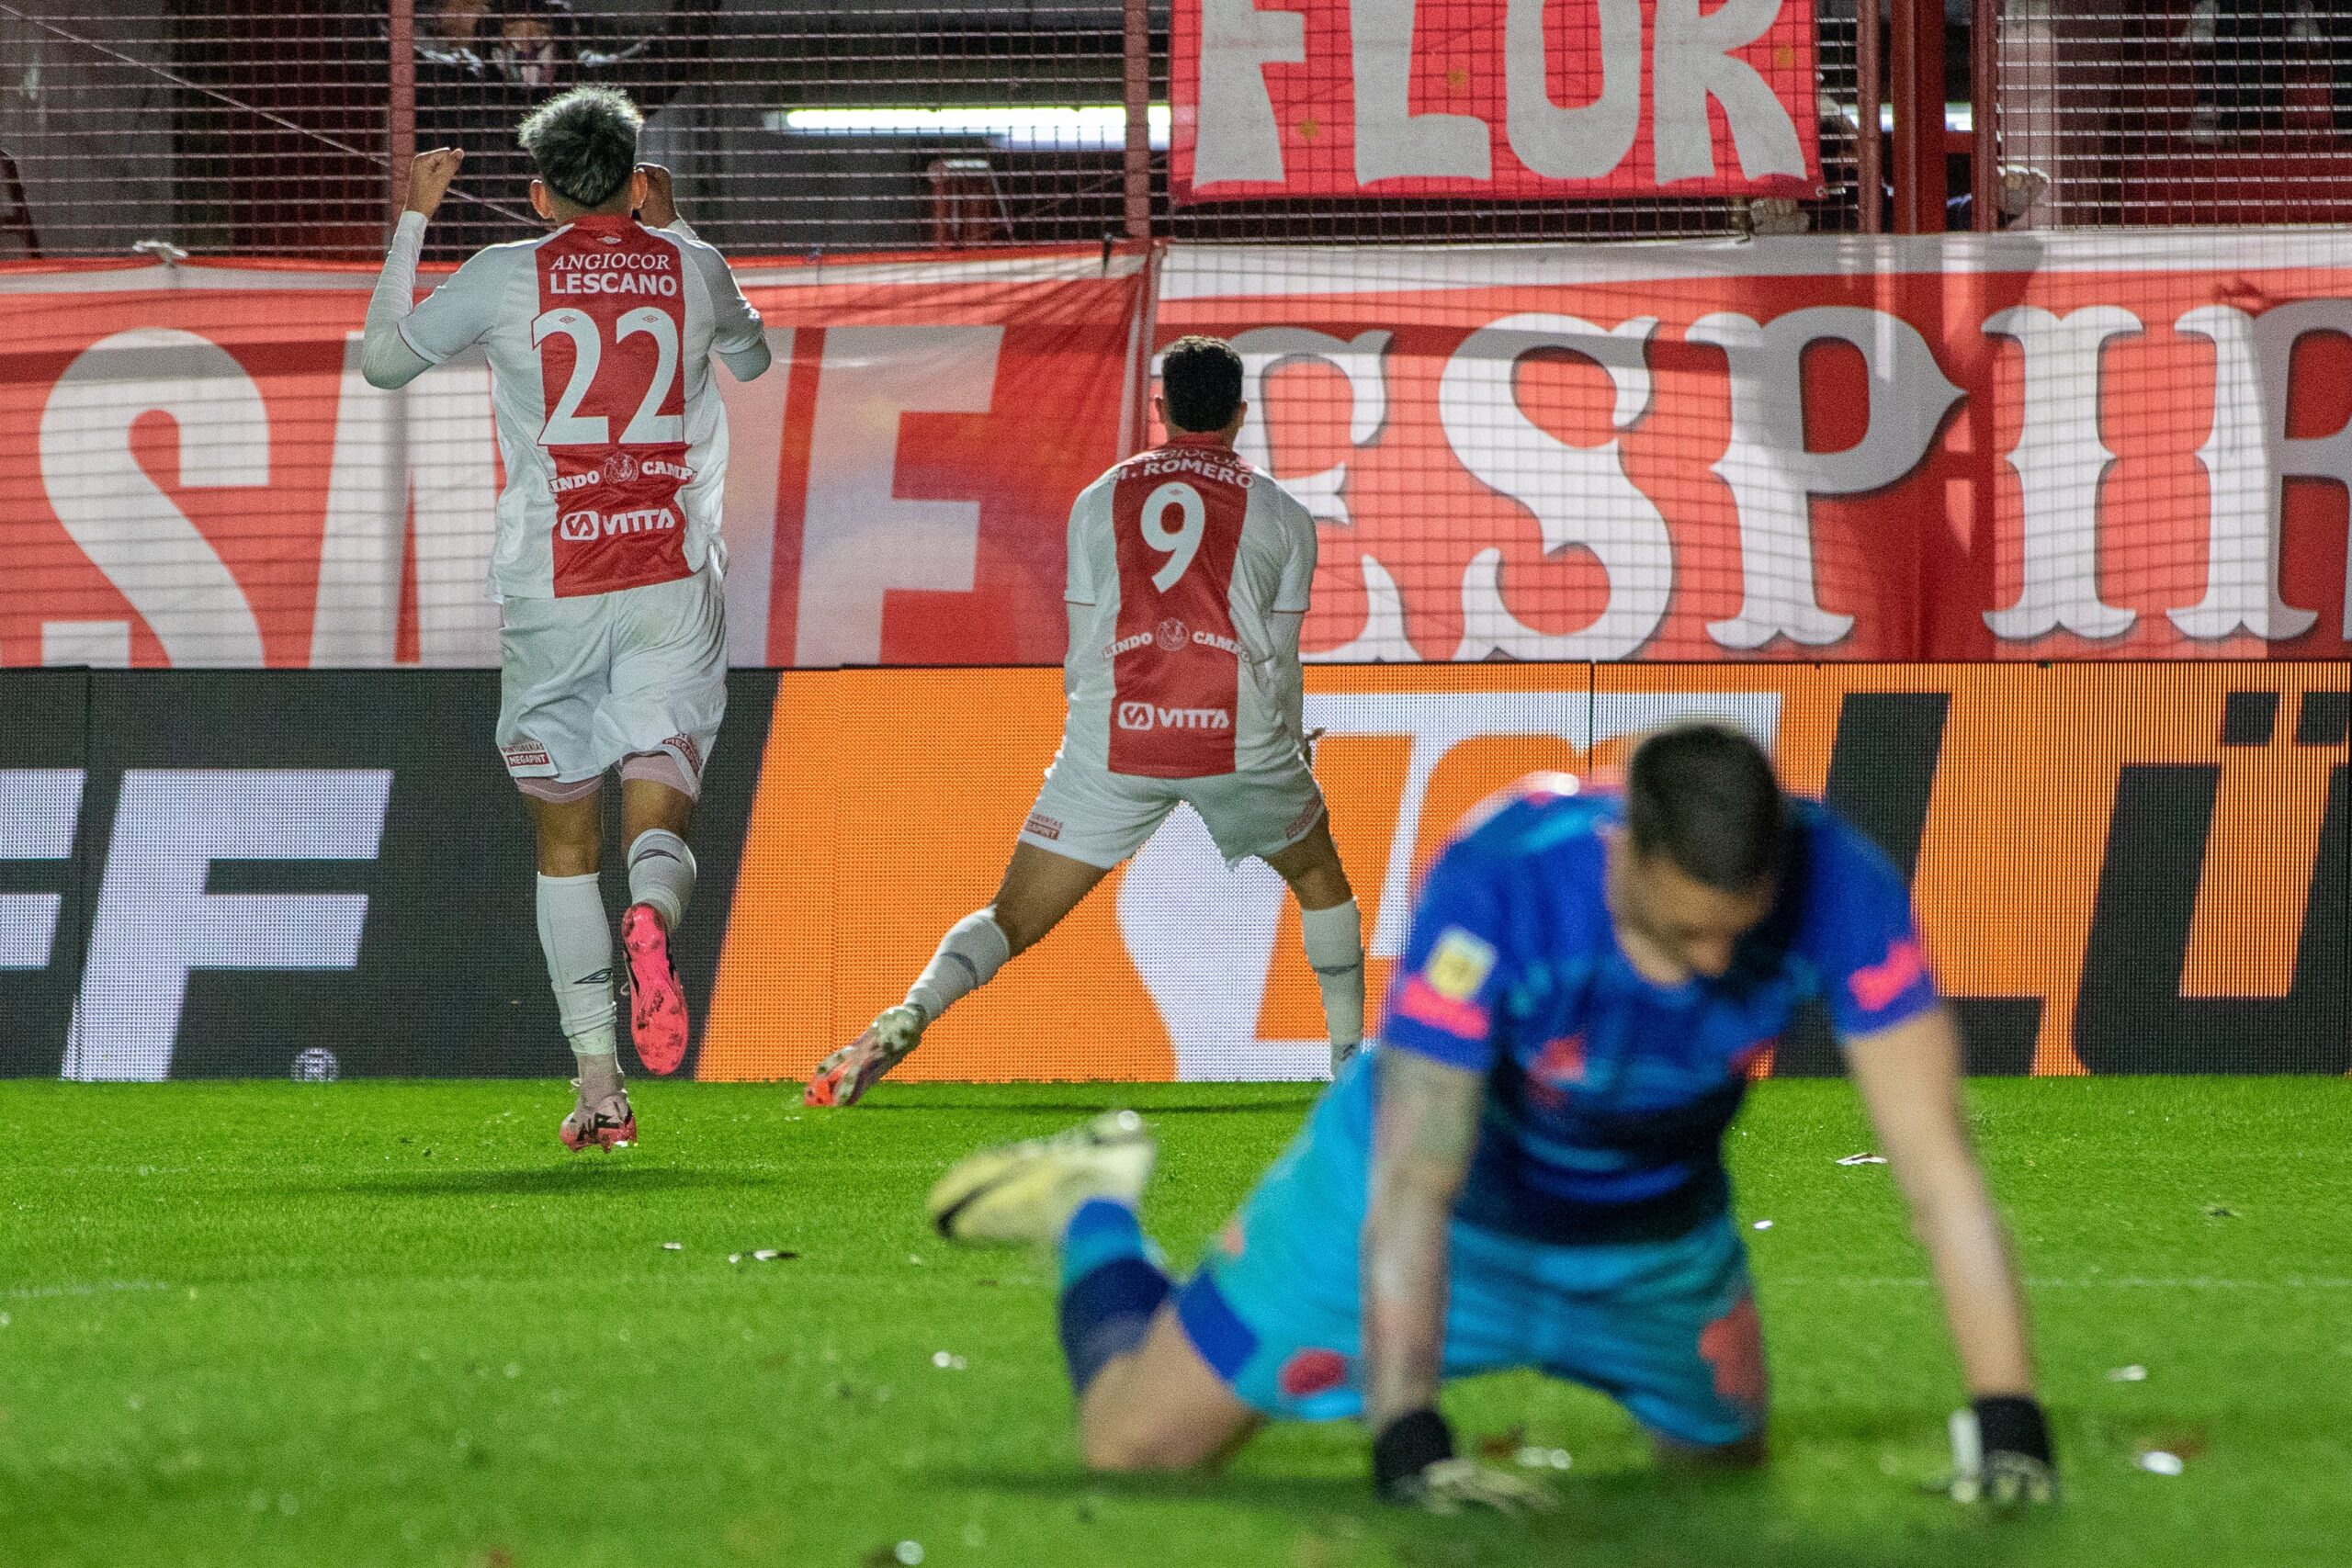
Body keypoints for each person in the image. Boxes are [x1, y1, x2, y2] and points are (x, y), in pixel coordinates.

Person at [927, 725, 2058, 1511]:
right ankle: (1096, 1205)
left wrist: (2010, 1421)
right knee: (1133, 1448)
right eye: (1682, 936)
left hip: (1652, 1247)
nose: (1711, 969)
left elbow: (1937, 1172)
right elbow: (1419, 1177)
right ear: (1624, 850)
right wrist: (1410, 1438)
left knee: (1719, 1491)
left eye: (1736, 936)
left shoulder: (1837, 881)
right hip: (1432, 1198)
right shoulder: (1505, 874)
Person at [357, 86, 771, 1150]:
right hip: (668, 575)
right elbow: (755, 360)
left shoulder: (504, 274)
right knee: (662, 792)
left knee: (562, 841)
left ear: (538, 193)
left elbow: (384, 362)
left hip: (551, 583)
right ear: (638, 178)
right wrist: (673, 228)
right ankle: (655, 918)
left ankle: (600, 1089)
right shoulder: (690, 264)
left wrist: (413, 217)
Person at [806, 336, 1365, 1106]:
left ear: (1161, 408)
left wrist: (1100, 733)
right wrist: (1289, 745)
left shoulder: (1100, 496)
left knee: (1010, 916)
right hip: (1235, 740)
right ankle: (1347, 1065)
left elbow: (1084, 646)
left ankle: (912, 1010)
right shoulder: (1284, 512)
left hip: (1114, 740)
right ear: (1241, 414)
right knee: (1320, 881)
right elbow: (1280, 659)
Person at [405, 0, 718, 257]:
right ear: (491, 39)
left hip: (584, 260)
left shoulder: (592, 87)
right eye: (513, 30)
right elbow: (380, 60)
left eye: (540, 30)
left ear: (563, 40)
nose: (526, 42)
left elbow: (673, 58)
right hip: (473, 256)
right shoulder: (460, 85)